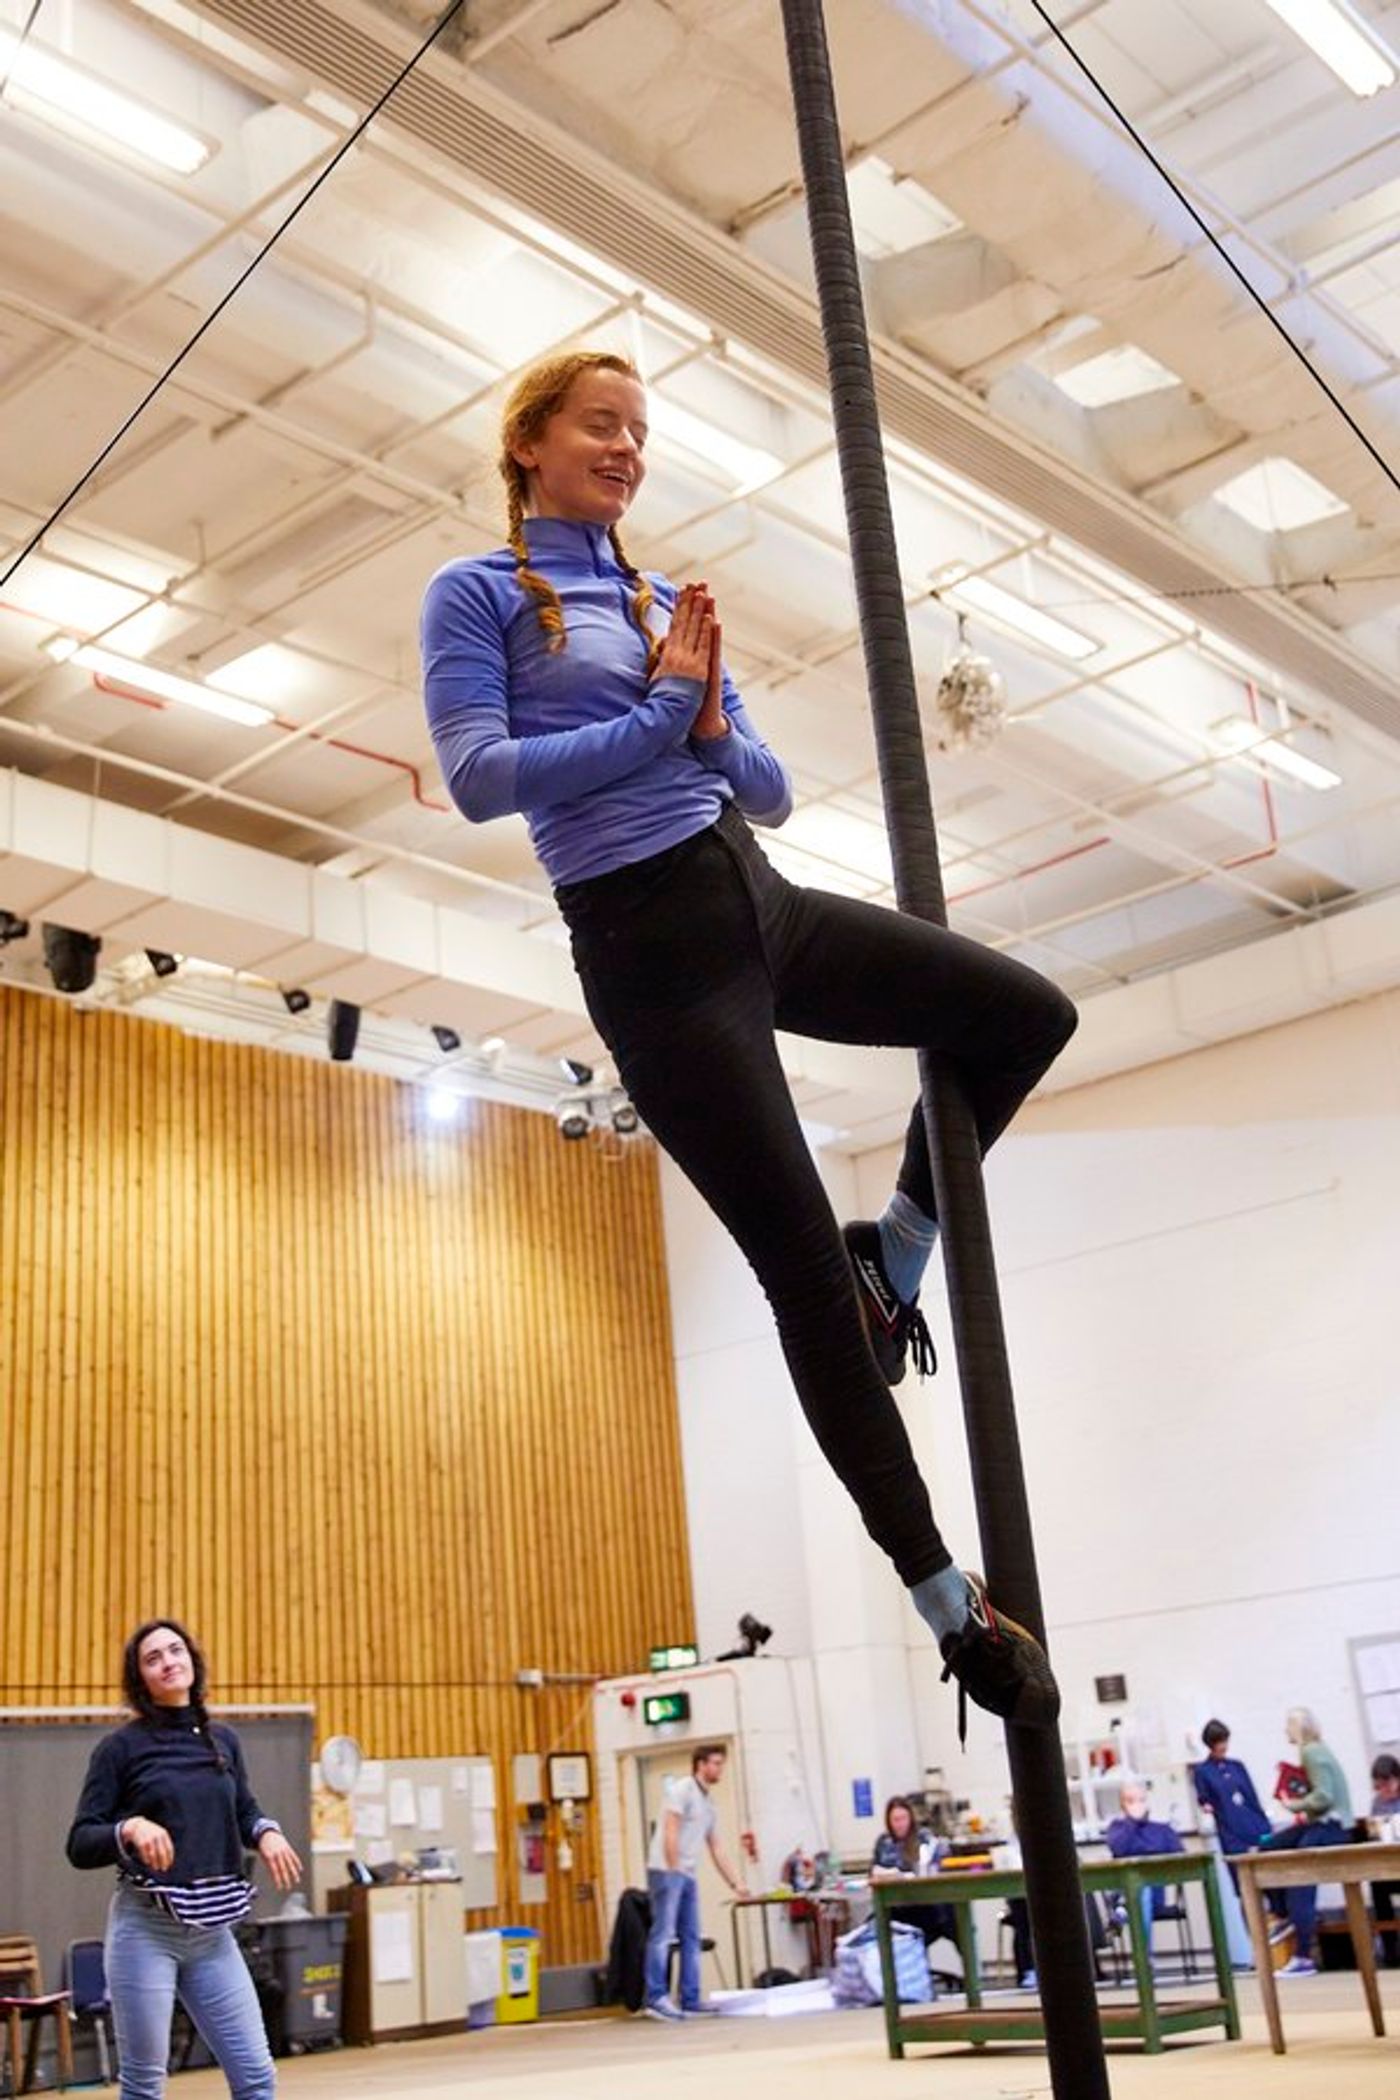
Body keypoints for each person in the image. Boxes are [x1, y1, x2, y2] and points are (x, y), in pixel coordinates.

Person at [421, 350, 1078, 1732]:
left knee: (1023, 1014)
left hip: (756, 897)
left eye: (638, 431)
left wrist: (711, 718)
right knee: (802, 1289)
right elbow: (480, 779)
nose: (626, 448)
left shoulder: (665, 600)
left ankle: (898, 1249)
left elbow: (768, 790)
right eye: (600, 425)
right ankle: (945, 1603)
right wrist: (665, 712)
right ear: (529, 442)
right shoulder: (476, 595)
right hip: (651, 954)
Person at [66, 1620, 302, 2099]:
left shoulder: (223, 1740)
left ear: (192, 1660)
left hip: (212, 1934)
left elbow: (244, 1810)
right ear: (140, 1679)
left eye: (176, 1650)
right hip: (146, 1932)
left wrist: (267, 1832)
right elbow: (80, 1842)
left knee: (257, 2079)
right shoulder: (120, 1749)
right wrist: (129, 1828)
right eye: (153, 1658)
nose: (168, 1662)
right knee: (144, 2086)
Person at [641, 1745, 748, 2020]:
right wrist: (673, 1867)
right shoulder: (682, 1790)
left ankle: (690, 1998)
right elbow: (670, 1829)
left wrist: (735, 1882)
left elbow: (716, 1847)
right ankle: (656, 1997)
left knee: (691, 1935)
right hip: (666, 1870)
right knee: (663, 1933)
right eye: (715, 1763)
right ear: (701, 1765)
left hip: (687, 1874)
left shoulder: (708, 1803)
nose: (720, 1769)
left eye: (721, 1764)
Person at [1261, 1706, 1354, 1976]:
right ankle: (1286, 1915)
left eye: (1288, 1726)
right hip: (1325, 1823)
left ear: (1297, 1728)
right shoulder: (1317, 1750)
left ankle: (1302, 1954)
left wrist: (1294, 1804)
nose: (1285, 1731)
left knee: (1298, 1871)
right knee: (1269, 1848)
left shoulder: (1311, 1752)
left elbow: (1324, 1796)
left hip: (1331, 1826)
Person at [1103, 1780, 1185, 1964]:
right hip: (1123, 1888)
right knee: (1137, 1889)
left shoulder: (1161, 1830)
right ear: (1122, 1805)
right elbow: (1120, 1847)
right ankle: (1145, 1959)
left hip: (1153, 1892)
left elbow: (1179, 1853)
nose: (1137, 1805)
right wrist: (1132, 1822)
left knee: (1143, 1889)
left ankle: (1121, 1914)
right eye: (1130, 1801)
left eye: (1141, 1800)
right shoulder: (1117, 1829)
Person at [869, 1796, 957, 1967]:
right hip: (896, 1907)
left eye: (903, 1818)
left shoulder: (923, 1837)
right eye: (895, 1820)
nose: (899, 1824)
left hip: (925, 1905)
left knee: (953, 1915)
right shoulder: (883, 1843)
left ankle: (972, 1972)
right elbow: (874, 1870)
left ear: (910, 1818)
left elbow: (941, 1857)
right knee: (872, 1924)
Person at [1193, 1719, 1272, 1886]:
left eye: (1225, 1741)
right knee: (1243, 1883)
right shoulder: (1203, 1771)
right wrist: (1206, 1806)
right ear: (1210, 1744)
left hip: (1256, 1826)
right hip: (1231, 1833)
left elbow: (1252, 1797)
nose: (1223, 1746)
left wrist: (1266, 1826)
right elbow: (1204, 1800)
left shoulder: (1237, 1766)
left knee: (1271, 1879)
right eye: (1218, 1742)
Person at [1368, 1752, 1400, 1966]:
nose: (1383, 1790)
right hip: (1388, 1866)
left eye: (1387, 1784)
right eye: (1378, 1786)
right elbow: (1374, 1833)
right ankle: (1390, 1949)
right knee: (1377, 1886)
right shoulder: (1377, 1803)